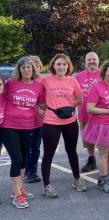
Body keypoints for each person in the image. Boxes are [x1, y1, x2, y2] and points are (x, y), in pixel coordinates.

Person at [1, 57, 45, 208]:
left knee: (24, 158)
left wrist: (49, 114)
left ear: (33, 69)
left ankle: (19, 188)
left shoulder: (38, 86)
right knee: (17, 158)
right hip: (9, 126)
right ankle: (16, 194)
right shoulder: (10, 83)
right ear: (19, 70)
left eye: (29, 67)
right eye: (23, 67)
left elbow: (40, 106)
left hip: (28, 126)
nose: (26, 70)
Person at [41, 53, 87, 198]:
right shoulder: (45, 81)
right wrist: (47, 111)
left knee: (72, 151)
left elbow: (80, 99)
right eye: (58, 64)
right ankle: (46, 186)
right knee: (49, 154)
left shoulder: (72, 81)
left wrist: (68, 106)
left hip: (70, 121)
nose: (61, 67)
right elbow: (39, 100)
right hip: (51, 121)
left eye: (64, 64)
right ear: (53, 65)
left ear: (68, 66)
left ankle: (77, 179)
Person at [83, 61, 109, 194]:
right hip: (101, 125)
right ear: (104, 72)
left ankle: (102, 177)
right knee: (104, 154)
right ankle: (103, 180)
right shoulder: (97, 87)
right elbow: (89, 108)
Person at [75, 52, 101, 173]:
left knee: (103, 140)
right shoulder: (78, 77)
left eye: (94, 59)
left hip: (102, 115)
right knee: (88, 141)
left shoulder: (104, 74)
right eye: (89, 60)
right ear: (85, 62)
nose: (92, 62)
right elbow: (73, 95)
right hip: (85, 115)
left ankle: (107, 162)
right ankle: (91, 160)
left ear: (98, 60)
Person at [24, 56, 44, 183]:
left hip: (39, 122)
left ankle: (34, 171)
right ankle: (26, 172)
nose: (35, 67)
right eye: (33, 65)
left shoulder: (42, 82)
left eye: (37, 65)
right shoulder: (24, 82)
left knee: (36, 148)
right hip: (25, 122)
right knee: (26, 148)